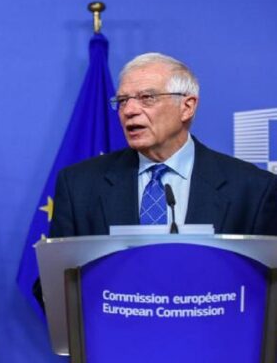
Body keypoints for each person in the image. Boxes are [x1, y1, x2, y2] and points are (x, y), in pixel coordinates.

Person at [50, 52, 277, 238]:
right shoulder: (78, 185)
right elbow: (57, 276)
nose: (129, 110)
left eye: (147, 98)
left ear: (187, 107)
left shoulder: (253, 189)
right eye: (122, 101)